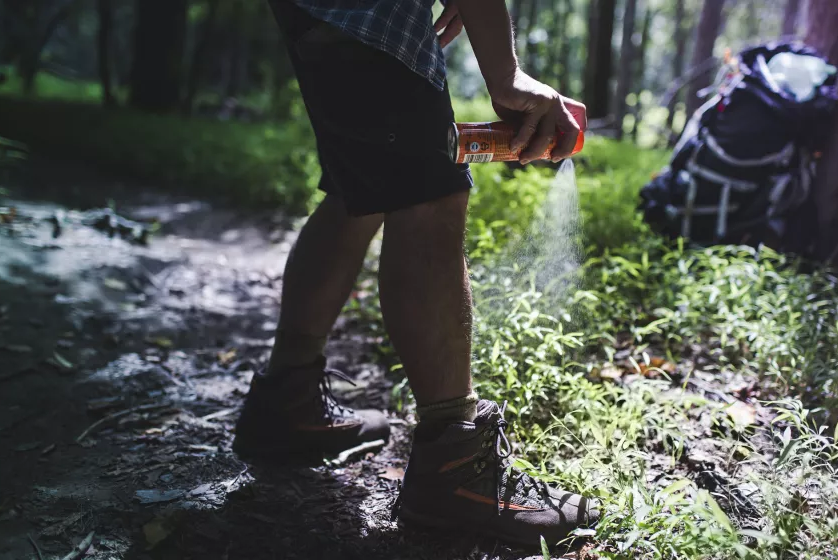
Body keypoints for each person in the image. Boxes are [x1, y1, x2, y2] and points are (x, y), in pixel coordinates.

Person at [233, 0, 599, 547]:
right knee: (430, 197)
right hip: (373, 17)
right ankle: (455, 468)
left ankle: (288, 399)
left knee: (361, 191)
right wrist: (507, 76)